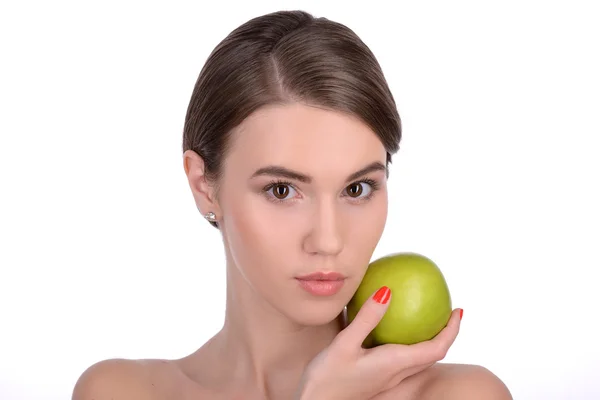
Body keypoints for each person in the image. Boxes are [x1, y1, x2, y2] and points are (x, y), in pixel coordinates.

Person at [72, 10, 512, 399]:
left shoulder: (460, 395)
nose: (328, 240)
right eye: (282, 190)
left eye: (356, 189)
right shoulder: (119, 391)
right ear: (204, 186)